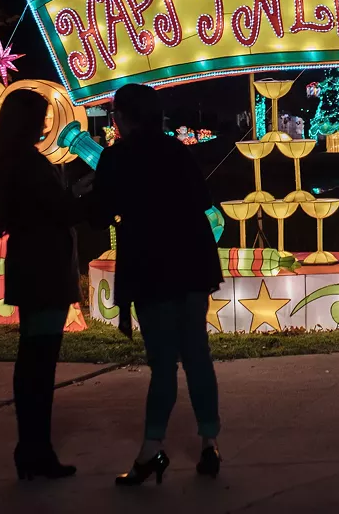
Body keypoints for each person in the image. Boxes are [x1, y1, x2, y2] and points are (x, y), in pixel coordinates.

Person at [93, 81, 224, 485]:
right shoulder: (177, 153)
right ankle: (209, 444)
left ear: (121, 117)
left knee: (162, 364)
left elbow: (103, 209)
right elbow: (203, 202)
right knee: (197, 355)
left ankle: (152, 450)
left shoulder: (116, 158)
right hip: (191, 261)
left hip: (151, 267)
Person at [0, 89, 88, 481]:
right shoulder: (28, 164)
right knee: (39, 363)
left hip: (33, 267)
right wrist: (91, 191)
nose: (45, 125)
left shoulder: (13, 162)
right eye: (40, 118)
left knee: (35, 360)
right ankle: (35, 451)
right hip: (45, 270)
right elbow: (60, 211)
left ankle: (33, 449)